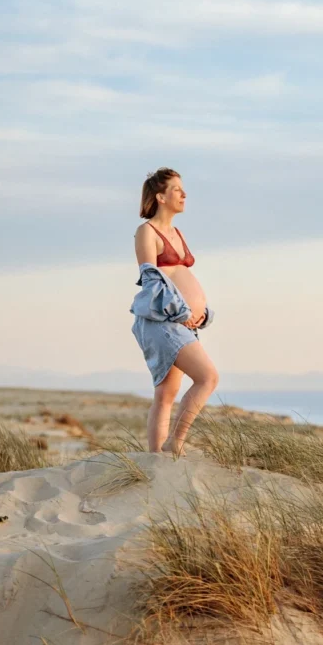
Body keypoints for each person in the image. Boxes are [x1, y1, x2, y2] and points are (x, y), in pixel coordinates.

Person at [130, 168, 219, 456]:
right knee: (208, 377)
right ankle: (174, 444)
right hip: (163, 321)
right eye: (177, 189)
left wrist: (202, 311)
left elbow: (180, 276)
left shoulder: (177, 233)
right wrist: (182, 311)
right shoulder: (146, 231)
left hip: (184, 323)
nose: (184, 194)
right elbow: (151, 279)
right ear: (161, 197)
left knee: (166, 393)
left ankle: (156, 460)